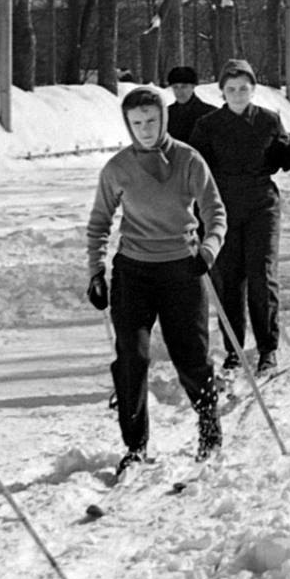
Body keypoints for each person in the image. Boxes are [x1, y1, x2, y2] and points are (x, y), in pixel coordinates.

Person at [86, 86, 227, 478]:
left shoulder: (188, 160)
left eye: (151, 121)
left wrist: (209, 249)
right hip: (134, 271)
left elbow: (215, 212)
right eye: (136, 123)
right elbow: (99, 223)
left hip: (183, 268)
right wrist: (96, 271)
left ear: (162, 119)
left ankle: (209, 428)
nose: (145, 130)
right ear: (128, 126)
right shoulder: (117, 168)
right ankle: (135, 445)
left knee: (191, 357)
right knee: (132, 358)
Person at [191, 62, 290, 376]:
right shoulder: (208, 125)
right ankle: (234, 349)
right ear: (222, 92)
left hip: (261, 205)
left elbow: (284, 160)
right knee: (228, 279)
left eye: (244, 88)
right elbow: (196, 170)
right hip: (222, 208)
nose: (238, 94)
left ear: (253, 89)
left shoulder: (269, 120)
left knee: (261, 274)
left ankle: (268, 348)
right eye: (231, 89)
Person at [164, 65, 211, 148]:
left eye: (184, 87)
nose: (179, 92)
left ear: (193, 87)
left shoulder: (209, 114)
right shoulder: (166, 114)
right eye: (175, 87)